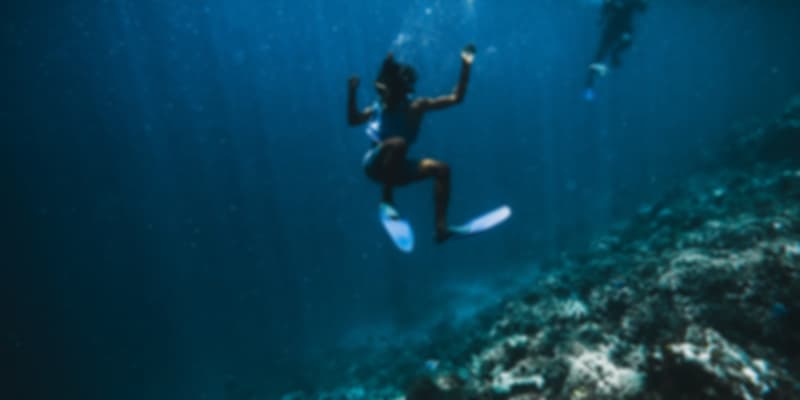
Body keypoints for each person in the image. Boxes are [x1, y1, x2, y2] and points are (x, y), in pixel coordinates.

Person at [347, 44, 475, 243]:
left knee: (442, 169)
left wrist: (466, 66)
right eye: (380, 91)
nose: (382, 97)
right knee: (398, 143)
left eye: (386, 92)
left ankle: (441, 228)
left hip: (398, 169)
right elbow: (353, 119)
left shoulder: (416, 107)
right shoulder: (378, 105)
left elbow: (456, 98)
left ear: (399, 92)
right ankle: (387, 200)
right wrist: (352, 92)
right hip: (374, 165)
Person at [584, 0, 649, 100]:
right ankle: (589, 84)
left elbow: (642, 8)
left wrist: (602, 17)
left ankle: (590, 83)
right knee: (600, 56)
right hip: (617, 30)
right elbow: (642, 8)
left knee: (601, 55)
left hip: (619, 30)